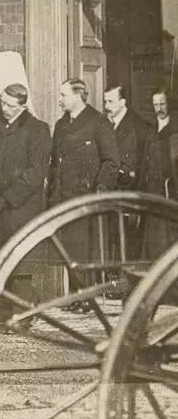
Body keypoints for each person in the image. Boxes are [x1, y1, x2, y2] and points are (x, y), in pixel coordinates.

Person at [0, 83, 52, 329]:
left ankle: (22, 313)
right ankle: (3, 310)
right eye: (2, 103)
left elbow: (35, 173)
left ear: (23, 105)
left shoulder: (38, 130)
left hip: (21, 208)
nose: (4, 109)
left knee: (21, 263)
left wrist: (8, 198)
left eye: (10, 105)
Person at [48, 78, 120, 310]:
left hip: (85, 196)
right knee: (68, 248)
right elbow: (55, 164)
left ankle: (85, 298)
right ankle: (75, 297)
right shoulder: (61, 125)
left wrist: (99, 189)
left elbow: (111, 161)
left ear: (78, 96)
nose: (59, 100)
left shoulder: (98, 122)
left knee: (84, 248)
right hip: (63, 197)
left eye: (63, 95)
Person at [103, 84, 151, 265]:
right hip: (107, 195)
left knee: (128, 245)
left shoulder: (140, 128)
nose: (106, 106)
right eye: (105, 101)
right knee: (107, 242)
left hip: (128, 196)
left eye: (111, 101)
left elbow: (143, 168)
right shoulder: (103, 123)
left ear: (123, 102)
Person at [141, 88, 178, 259]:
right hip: (152, 193)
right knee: (152, 244)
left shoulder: (174, 130)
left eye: (162, 103)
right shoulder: (149, 130)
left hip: (169, 194)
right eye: (155, 104)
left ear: (168, 104)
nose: (159, 108)